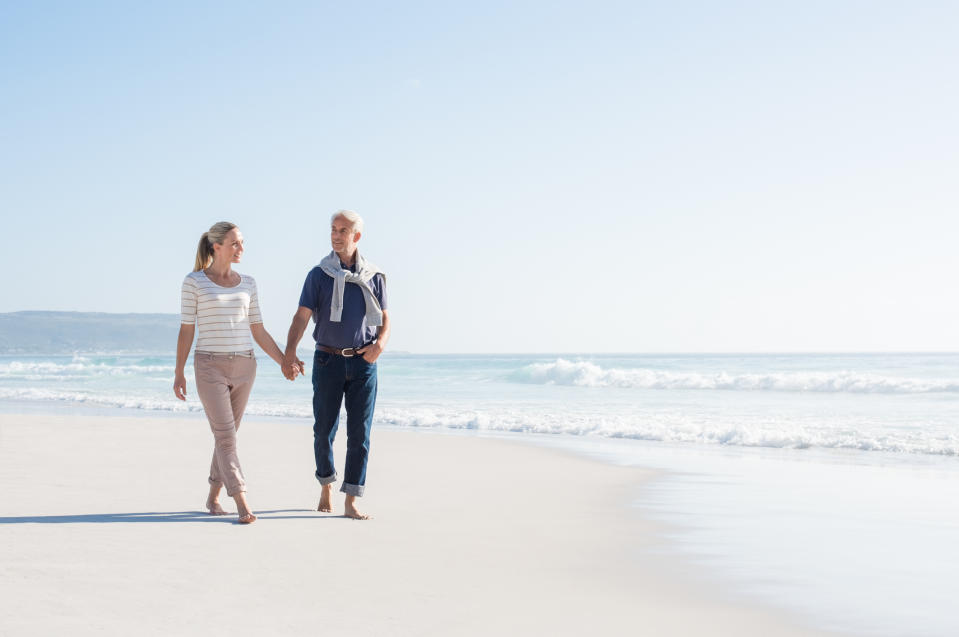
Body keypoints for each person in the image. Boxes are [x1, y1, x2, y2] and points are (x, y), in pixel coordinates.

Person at [174, 221, 296, 524]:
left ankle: (213, 498)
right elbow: (187, 330)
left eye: (241, 243)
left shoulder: (248, 283)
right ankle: (241, 501)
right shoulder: (194, 282)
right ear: (216, 246)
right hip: (209, 365)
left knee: (226, 436)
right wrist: (179, 372)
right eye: (235, 243)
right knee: (226, 437)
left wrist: (284, 360)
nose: (241, 248)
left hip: (245, 366)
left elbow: (258, 330)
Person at [283, 210, 389, 520]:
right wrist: (289, 352)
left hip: (364, 362)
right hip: (327, 359)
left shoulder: (375, 276)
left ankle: (352, 499)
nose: (336, 235)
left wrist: (381, 344)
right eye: (333, 229)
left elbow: (386, 317)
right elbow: (302, 316)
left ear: (357, 236)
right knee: (323, 430)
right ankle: (326, 484)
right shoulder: (319, 274)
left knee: (360, 434)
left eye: (343, 230)